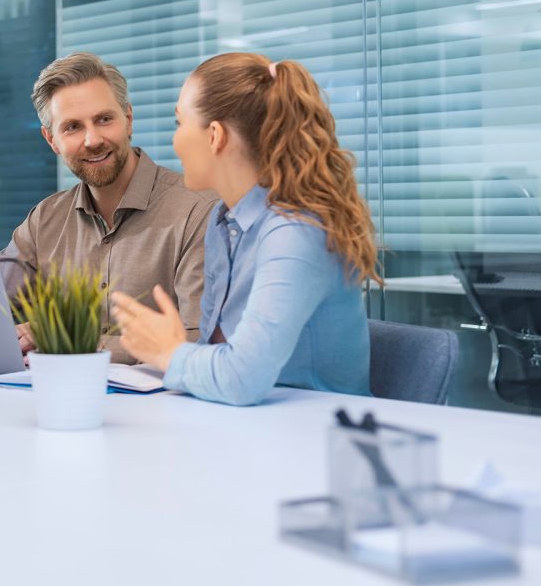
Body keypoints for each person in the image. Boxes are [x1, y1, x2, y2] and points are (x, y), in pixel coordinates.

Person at [111, 53, 378, 406]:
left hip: (319, 426)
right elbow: (218, 355)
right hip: (249, 421)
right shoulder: (224, 222)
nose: (175, 141)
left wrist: (168, 352)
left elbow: (241, 378)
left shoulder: (295, 233)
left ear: (215, 136)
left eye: (180, 123)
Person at [0, 52, 216, 363]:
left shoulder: (198, 211)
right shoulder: (44, 220)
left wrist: (65, 339)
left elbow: (198, 343)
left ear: (128, 120)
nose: (92, 140)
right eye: (72, 127)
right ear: (51, 140)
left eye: (104, 119)